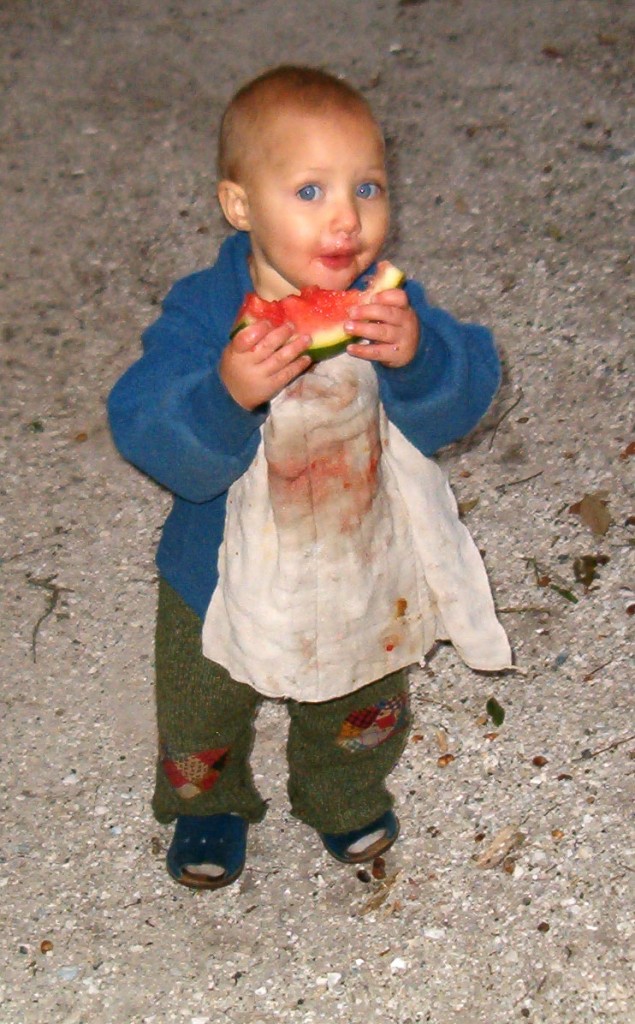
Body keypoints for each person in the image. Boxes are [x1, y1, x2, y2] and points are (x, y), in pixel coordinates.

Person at [108, 65, 511, 891]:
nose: (347, 217)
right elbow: (142, 425)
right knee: (198, 707)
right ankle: (206, 801)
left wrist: (419, 358)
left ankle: (341, 791)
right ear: (239, 206)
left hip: (357, 555)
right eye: (309, 190)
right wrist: (226, 394)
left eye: (367, 186)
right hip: (216, 574)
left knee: (359, 701)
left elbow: (457, 400)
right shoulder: (202, 312)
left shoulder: (384, 303)